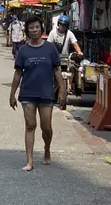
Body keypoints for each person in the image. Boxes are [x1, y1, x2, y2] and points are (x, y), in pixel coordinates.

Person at [9, 15, 66, 172]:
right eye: (31, 28)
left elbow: (57, 70)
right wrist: (12, 94)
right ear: (27, 31)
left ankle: (47, 148)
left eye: (37, 27)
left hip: (46, 93)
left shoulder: (50, 48)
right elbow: (17, 74)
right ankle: (29, 161)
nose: (34, 30)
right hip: (27, 93)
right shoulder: (23, 51)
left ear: (42, 29)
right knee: (30, 125)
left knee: (46, 127)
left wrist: (62, 90)